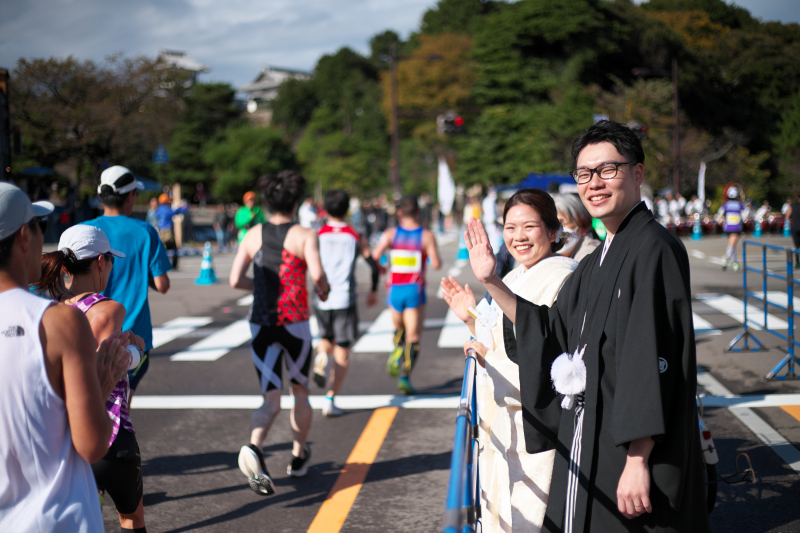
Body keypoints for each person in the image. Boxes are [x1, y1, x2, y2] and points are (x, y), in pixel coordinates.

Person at [464, 120, 708, 532]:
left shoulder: (654, 249)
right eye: (584, 174)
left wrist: (637, 459)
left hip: (629, 449)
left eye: (607, 170)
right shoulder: (599, 259)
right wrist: (489, 280)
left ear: (637, 173)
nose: (594, 183)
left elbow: (652, 357)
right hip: (592, 433)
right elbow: (552, 329)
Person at [440, 189, 578, 530]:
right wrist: (471, 318)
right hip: (501, 424)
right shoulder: (515, 276)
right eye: (510, 227)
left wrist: (489, 281)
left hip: (535, 426)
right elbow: (502, 340)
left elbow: (542, 352)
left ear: (553, 231)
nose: (518, 237)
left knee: (530, 515)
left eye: (529, 226)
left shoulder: (564, 276)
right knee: (501, 512)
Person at [0, 182, 131, 532]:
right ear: (24, 238)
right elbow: (91, 444)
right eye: (39, 227)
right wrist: (103, 381)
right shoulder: (57, 321)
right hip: (57, 517)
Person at [34, 225, 148, 532]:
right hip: (106, 431)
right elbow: (96, 365)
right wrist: (135, 348)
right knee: (131, 518)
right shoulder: (109, 310)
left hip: (61, 434)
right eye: (111, 260)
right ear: (101, 261)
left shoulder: (51, 310)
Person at [229, 170, 330, 495]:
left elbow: (234, 280)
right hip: (294, 323)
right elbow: (318, 276)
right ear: (297, 201)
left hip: (260, 323)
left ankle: (255, 448)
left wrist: (258, 286)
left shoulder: (252, 233)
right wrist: (323, 291)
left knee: (270, 398)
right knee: (300, 390)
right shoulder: (304, 234)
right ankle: (299, 456)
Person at [84, 165, 173, 401]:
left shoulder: (85, 230)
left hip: (91, 333)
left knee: (94, 405)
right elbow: (162, 285)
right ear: (131, 196)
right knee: (121, 410)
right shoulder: (145, 231)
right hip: (134, 337)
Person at [312, 190, 380, 417]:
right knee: (342, 348)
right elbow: (372, 265)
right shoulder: (355, 234)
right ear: (347, 209)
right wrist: (372, 290)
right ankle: (330, 397)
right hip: (344, 298)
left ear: (326, 209)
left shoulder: (317, 234)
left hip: (321, 297)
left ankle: (321, 355)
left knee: (325, 339)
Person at [372, 196, 441, 394]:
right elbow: (435, 264)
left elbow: (375, 256)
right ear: (418, 212)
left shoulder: (391, 234)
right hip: (414, 289)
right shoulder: (426, 235)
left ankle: (397, 348)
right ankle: (405, 375)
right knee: (413, 335)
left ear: (399, 213)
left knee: (399, 328)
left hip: (394, 288)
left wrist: (384, 267)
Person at [554, 193, 601, 262]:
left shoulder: (588, 254)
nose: (557, 230)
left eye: (562, 223)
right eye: (554, 223)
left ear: (583, 227)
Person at [155, 193, 189, 270]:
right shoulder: (166, 209)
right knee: (174, 249)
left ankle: (164, 264)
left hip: (161, 231)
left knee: (164, 249)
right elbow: (175, 212)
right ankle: (173, 265)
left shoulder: (159, 209)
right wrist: (183, 208)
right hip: (167, 232)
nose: (169, 202)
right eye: (168, 201)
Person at [720, 186, 744, 271]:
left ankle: (735, 262)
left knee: (731, 246)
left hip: (727, 228)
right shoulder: (740, 205)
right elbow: (745, 216)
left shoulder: (725, 205)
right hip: (736, 227)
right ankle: (726, 260)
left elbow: (719, 215)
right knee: (732, 246)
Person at [786, 192, 800, 267]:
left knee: (797, 246)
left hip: (795, 227)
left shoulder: (793, 206)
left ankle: (798, 262)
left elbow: (787, 216)